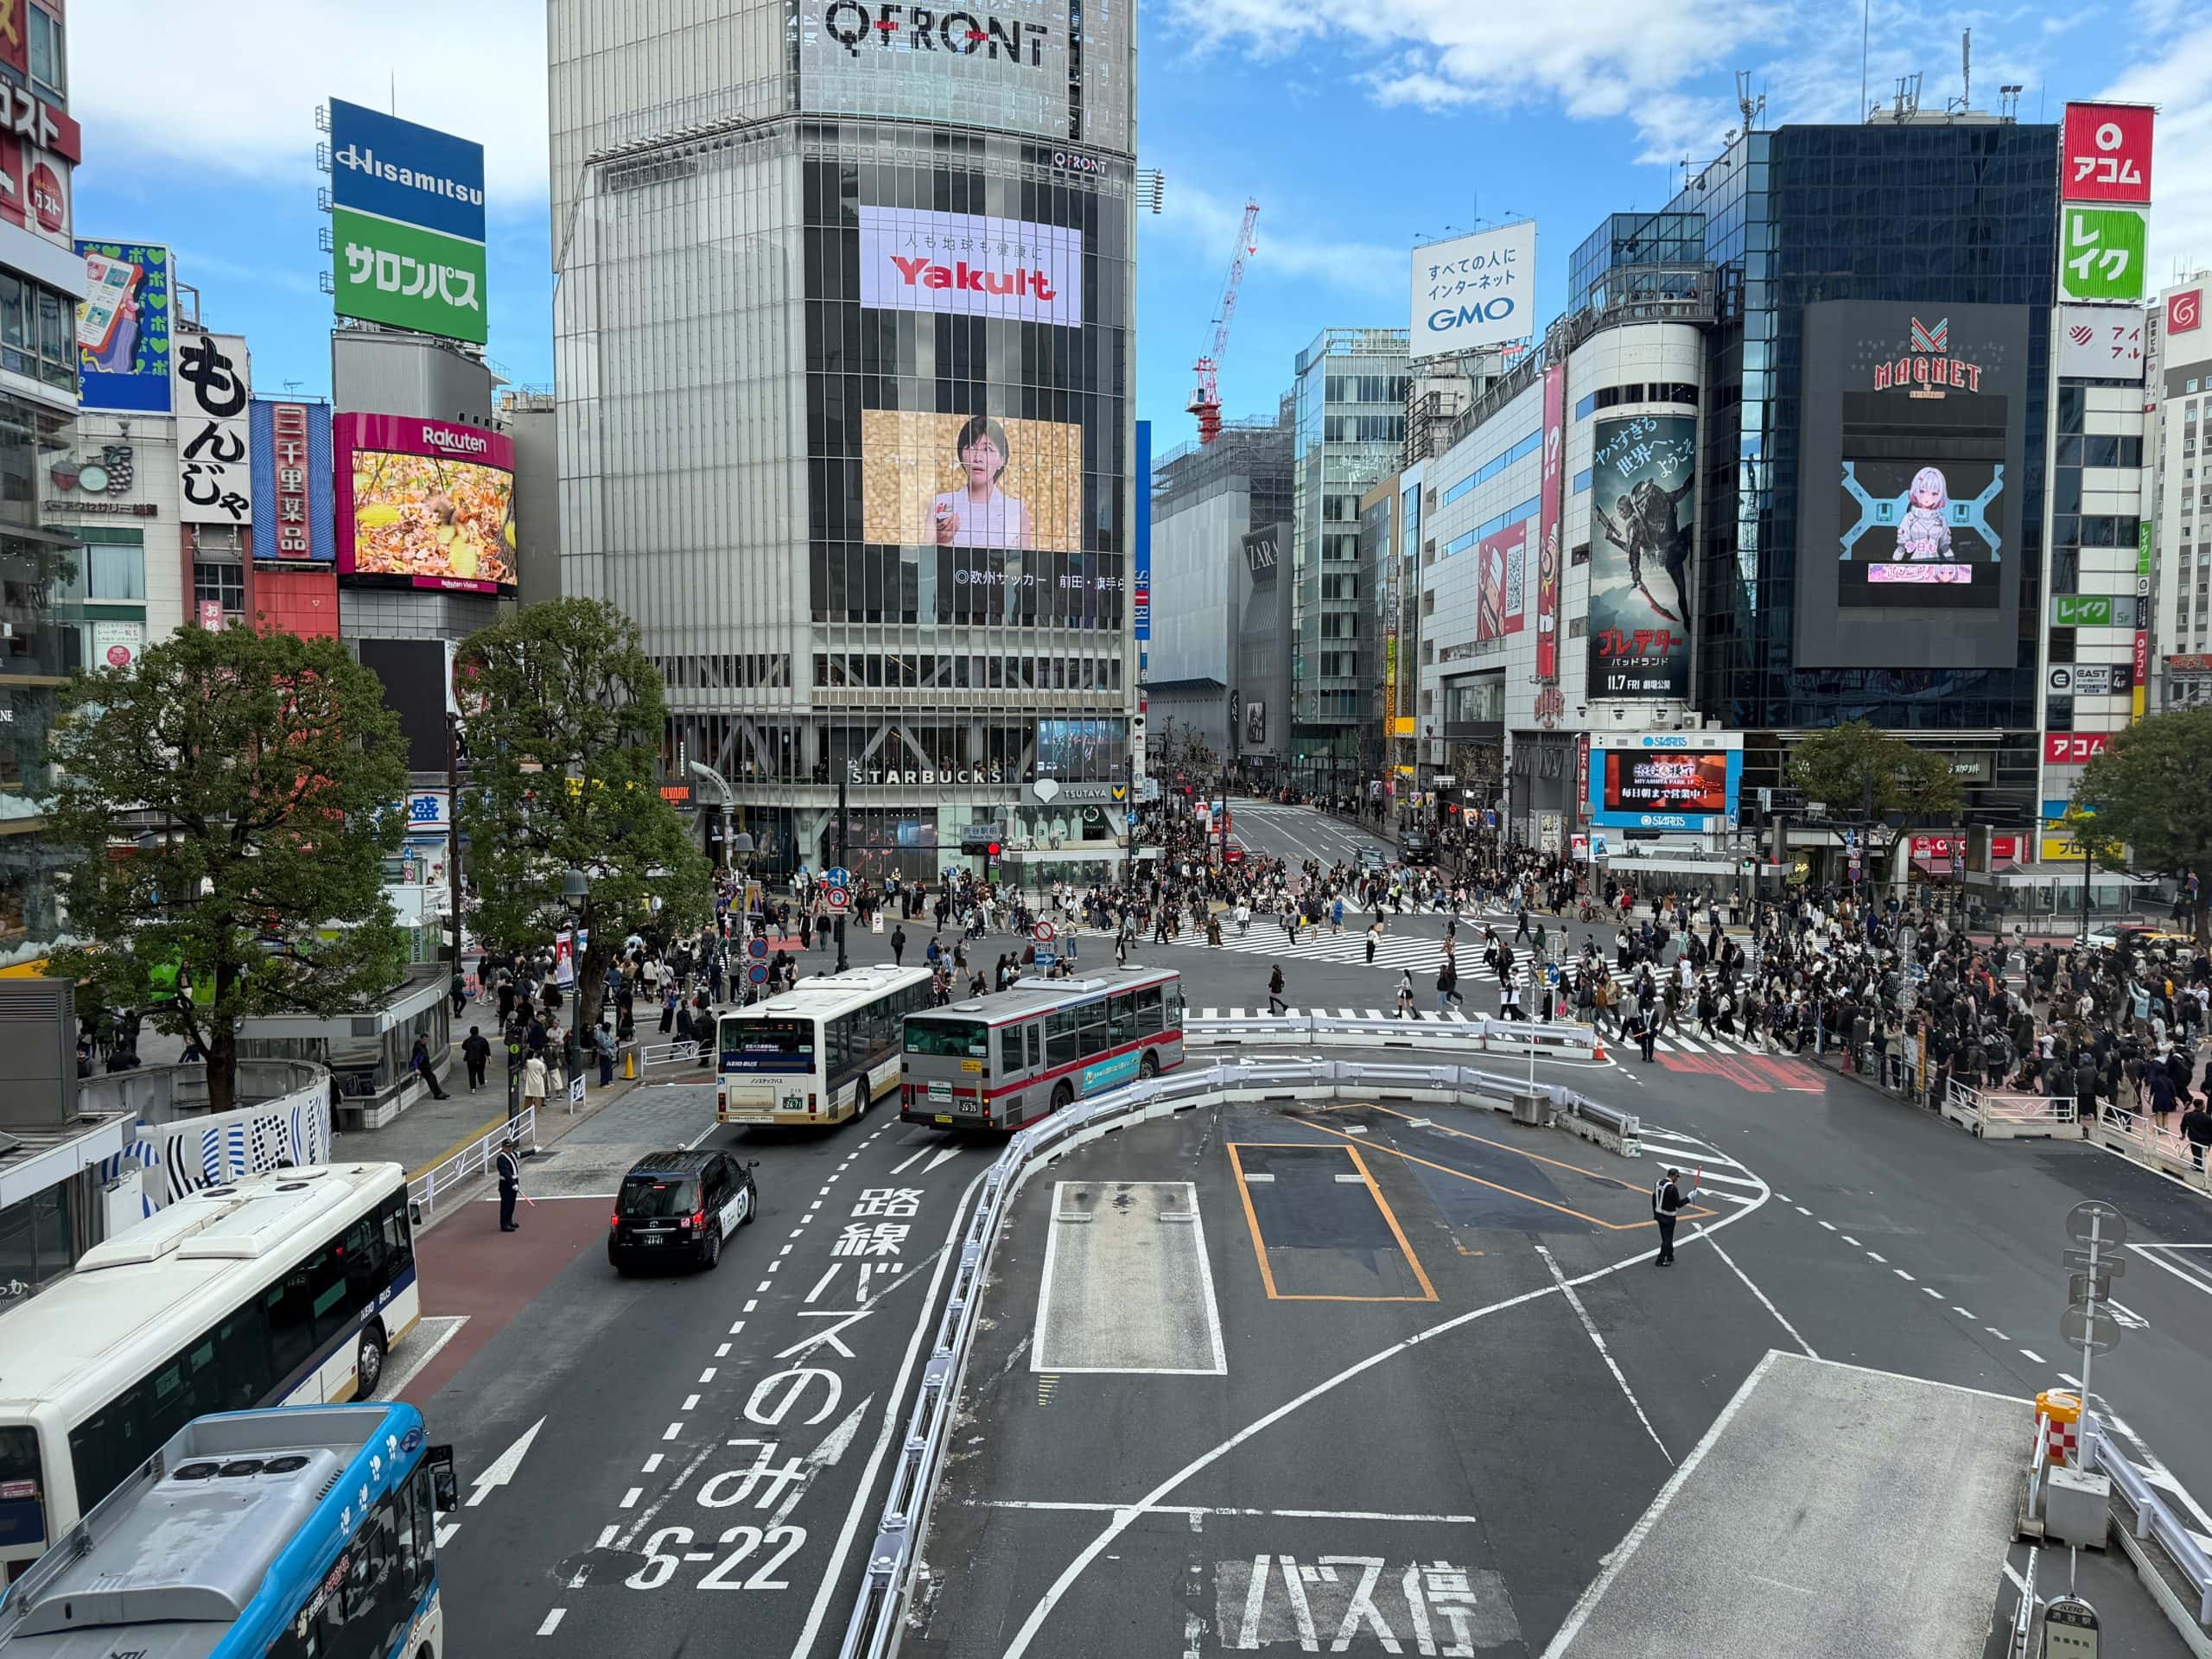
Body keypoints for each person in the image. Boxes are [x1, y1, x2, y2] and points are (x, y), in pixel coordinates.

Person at [931, 415, 1035, 550]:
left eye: (987, 449)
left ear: (1001, 460)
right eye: (971, 448)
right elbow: (926, 562)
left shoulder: (1016, 510)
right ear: (961, 455)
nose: (978, 458)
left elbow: (1024, 566)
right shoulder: (939, 504)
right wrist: (940, 541)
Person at [1651, 1166, 1699, 1266]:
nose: (1677, 1179)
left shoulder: (1658, 1183)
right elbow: (1679, 1204)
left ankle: (1670, 1255)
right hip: (1669, 1217)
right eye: (1676, 1177)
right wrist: (1689, 1197)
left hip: (1659, 1215)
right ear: (1672, 1176)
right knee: (1667, 1239)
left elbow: (1654, 1198)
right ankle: (1660, 1260)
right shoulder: (1672, 1188)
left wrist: (1655, 1213)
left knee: (1665, 1237)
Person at [410, 1033, 449, 1101]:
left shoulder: (423, 1046)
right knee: (431, 1079)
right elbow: (415, 1059)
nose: (426, 1041)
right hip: (422, 1068)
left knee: (433, 1078)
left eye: (427, 1040)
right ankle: (438, 1094)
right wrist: (416, 1069)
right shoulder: (418, 1047)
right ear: (421, 1039)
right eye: (424, 1040)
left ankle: (439, 1093)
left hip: (425, 1067)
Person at [496, 1136, 522, 1232]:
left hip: (514, 1182)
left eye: (511, 1146)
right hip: (506, 1185)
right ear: (503, 1147)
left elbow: (521, 1154)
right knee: (506, 1204)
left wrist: (533, 1151)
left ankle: (509, 1221)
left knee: (512, 1204)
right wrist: (512, 1184)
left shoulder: (512, 1154)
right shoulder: (501, 1158)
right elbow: (506, 1172)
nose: (510, 1148)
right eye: (508, 1147)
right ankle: (504, 1224)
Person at [461, 1025, 492, 1092]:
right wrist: (489, 1056)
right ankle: (482, 1083)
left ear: (470, 1032)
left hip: (470, 1060)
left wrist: (469, 1049)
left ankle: (473, 1088)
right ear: (478, 1032)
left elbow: (463, 1047)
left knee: (472, 1074)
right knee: (481, 1071)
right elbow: (486, 1049)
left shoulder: (468, 1040)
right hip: (481, 1059)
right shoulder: (483, 1040)